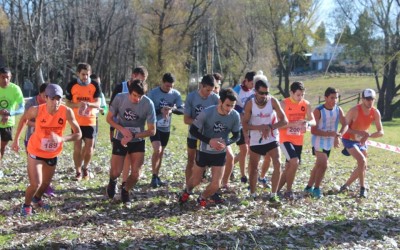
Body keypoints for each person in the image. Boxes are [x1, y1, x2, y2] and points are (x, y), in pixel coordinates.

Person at [11, 84, 81, 216]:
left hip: (52, 153)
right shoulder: (36, 110)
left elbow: (78, 134)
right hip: (36, 150)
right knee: (35, 184)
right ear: (46, 98)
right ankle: (26, 206)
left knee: (46, 183)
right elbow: (24, 120)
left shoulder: (66, 111)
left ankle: (37, 200)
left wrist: (62, 139)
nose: (56, 102)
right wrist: (16, 140)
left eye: (59, 99)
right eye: (53, 98)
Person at [178, 88, 241, 207]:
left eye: (232, 106)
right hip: (203, 151)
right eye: (227, 105)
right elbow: (193, 130)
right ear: (220, 102)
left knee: (216, 184)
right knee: (196, 180)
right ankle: (187, 191)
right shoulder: (207, 113)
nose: (229, 109)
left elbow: (237, 135)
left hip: (219, 153)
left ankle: (203, 197)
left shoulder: (235, 116)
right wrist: (209, 141)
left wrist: (226, 143)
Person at [106, 79, 156, 205]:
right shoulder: (119, 98)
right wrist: (122, 129)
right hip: (120, 137)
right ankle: (112, 181)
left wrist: (134, 135)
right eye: (134, 95)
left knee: (136, 174)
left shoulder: (148, 104)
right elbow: (109, 118)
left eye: (140, 96)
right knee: (116, 171)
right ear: (129, 92)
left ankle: (125, 190)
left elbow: (152, 131)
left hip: (137, 139)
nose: (137, 99)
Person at [242, 74, 288, 202]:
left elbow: (284, 120)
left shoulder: (273, 101)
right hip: (256, 139)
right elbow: (244, 124)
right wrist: (259, 127)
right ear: (255, 91)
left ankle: (273, 194)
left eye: (267, 93)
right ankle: (252, 193)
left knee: (278, 163)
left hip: (272, 137)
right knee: (254, 167)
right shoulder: (250, 104)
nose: (264, 96)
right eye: (261, 93)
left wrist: (270, 127)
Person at [339, 89, 383, 198]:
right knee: (362, 160)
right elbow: (344, 128)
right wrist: (358, 132)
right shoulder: (354, 110)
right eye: (367, 99)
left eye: (372, 99)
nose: (370, 101)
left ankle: (345, 186)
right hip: (348, 139)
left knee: (364, 165)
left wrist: (368, 135)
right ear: (362, 99)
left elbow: (381, 132)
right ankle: (362, 189)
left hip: (361, 140)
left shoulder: (375, 112)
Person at [304, 87, 347, 198]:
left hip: (329, 142)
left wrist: (339, 135)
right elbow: (313, 130)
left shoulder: (338, 109)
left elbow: (345, 124)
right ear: (325, 98)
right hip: (318, 141)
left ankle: (308, 187)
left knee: (318, 165)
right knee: (324, 165)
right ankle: (316, 189)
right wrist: (330, 134)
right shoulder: (318, 111)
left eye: (336, 98)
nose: (334, 100)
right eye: (332, 98)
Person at [109, 66, 148, 186]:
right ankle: (114, 179)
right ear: (134, 75)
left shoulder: (141, 91)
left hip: (134, 130)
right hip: (118, 128)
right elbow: (112, 110)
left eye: (144, 80)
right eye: (141, 79)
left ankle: (124, 183)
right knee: (120, 158)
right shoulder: (120, 88)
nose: (143, 82)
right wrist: (118, 128)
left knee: (130, 158)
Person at [277, 81, 316, 200]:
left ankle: (276, 190)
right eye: (298, 95)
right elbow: (277, 125)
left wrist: (307, 123)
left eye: (302, 95)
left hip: (298, 140)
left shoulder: (306, 104)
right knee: (294, 161)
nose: (300, 98)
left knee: (290, 166)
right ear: (291, 93)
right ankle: (289, 191)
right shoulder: (283, 104)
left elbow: (313, 121)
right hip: (285, 138)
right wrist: (293, 124)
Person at [65, 63, 102, 181]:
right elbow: (67, 103)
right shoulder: (72, 85)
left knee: (89, 147)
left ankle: (86, 167)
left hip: (90, 120)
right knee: (77, 147)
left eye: (87, 74)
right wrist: (78, 105)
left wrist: (88, 104)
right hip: (76, 121)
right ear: (78, 74)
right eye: (83, 74)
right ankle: (78, 171)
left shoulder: (95, 85)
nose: (85, 77)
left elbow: (98, 103)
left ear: (90, 73)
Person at [147, 73, 184, 188]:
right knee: (157, 149)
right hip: (154, 125)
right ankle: (153, 176)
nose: (169, 88)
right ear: (162, 82)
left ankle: (157, 176)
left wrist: (171, 110)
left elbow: (182, 110)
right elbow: (147, 109)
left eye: (171, 86)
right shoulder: (153, 93)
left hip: (165, 127)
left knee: (161, 152)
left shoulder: (175, 94)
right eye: (167, 86)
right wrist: (160, 110)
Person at [183, 74, 219, 185]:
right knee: (191, 160)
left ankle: (207, 183)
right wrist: (200, 122)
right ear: (201, 86)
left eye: (211, 90)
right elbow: (186, 119)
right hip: (194, 134)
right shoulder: (191, 97)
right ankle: (188, 186)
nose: (209, 93)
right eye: (207, 90)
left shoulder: (215, 98)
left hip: (208, 136)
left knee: (205, 163)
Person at [23, 83, 56, 197]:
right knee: (34, 164)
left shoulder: (54, 105)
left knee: (46, 164)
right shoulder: (32, 103)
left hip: (48, 141)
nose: (49, 96)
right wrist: (39, 125)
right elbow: (26, 120)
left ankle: (43, 186)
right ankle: (34, 183)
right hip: (32, 138)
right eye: (46, 94)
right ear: (41, 94)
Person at [229, 71, 256, 185]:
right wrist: (241, 112)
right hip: (238, 124)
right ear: (246, 80)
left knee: (248, 151)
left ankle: (229, 164)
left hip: (249, 124)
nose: (253, 86)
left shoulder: (254, 91)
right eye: (251, 83)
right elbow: (231, 105)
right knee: (244, 149)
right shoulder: (236, 90)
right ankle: (243, 175)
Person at [0, 67, 24, 172]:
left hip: (8, 123)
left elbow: (22, 108)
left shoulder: (15, 89)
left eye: (7, 77)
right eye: (2, 77)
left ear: (11, 77)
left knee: (2, 148)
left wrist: (10, 113)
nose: (5, 80)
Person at [90, 74, 107, 146]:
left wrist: (103, 111)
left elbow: (105, 108)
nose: (98, 85)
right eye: (96, 83)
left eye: (99, 83)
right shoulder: (83, 92)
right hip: (81, 120)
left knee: (92, 144)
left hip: (94, 120)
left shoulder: (100, 94)